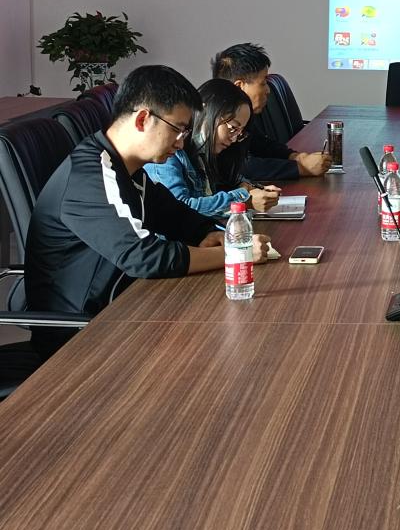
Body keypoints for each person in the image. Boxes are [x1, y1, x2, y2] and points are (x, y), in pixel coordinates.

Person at [24, 65, 271, 359]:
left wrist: (206, 232)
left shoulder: (129, 169)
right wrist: (236, 253)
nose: (181, 142)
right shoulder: (91, 175)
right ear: (143, 119)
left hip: (124, 308)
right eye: (177, 129)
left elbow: (172, 213)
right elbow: (144, 256)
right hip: (81, 339)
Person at [145, 79, 281, 216]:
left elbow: (231, 181)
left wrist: (253, 188)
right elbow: (180, 209)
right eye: (233, 128)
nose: (234, 139)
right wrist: (245, 201)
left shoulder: (208, 151)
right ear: (206, 111)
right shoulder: (168, 154)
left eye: (240, 133)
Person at [211, 42, 330, 180]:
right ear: (239, 86)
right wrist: (302, 168)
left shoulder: (242, 116)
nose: (268, 90)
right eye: (263, 83)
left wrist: (296, 157)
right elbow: (240, 167)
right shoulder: (217, 118)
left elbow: (262, 145)